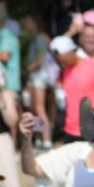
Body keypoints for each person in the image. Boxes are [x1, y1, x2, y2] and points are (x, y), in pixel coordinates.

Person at [50, 35, 94, 141]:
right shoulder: (64, 71)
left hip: (91, 128)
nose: (62, 63)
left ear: (73, 51)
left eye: (64, 60)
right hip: (70, 129)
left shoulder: (92, 68)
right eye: (59, 61)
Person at [23, 15, 54, 149]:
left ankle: (47, 140)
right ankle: (40, 139)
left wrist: (27, 69)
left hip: (39, 76)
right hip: (34, 76)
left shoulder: (40, 38)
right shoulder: (35, 39)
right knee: (35, 109)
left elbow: (40, 60)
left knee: (40, 108)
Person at [0, 4, 21, 94]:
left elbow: (4, 56)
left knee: (8, 107)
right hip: (2, 81)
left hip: (9, 82)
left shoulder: (6, 35)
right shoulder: (0, 34)